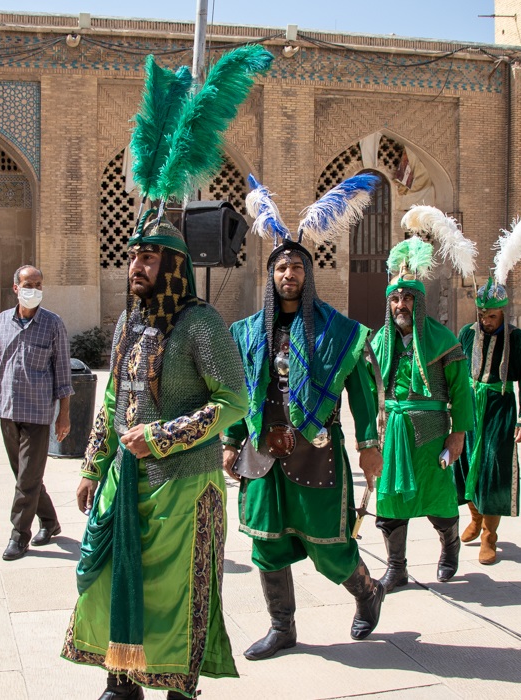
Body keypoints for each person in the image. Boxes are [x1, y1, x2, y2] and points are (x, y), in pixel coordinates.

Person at [60, 217, 248, 699]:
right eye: (131, 256)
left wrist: (165, 435)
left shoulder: (201, 322)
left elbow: (234, 402)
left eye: (147, 257)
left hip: (184, 484)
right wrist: (92, 466)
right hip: (125, 480)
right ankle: (121, 681)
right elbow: (112, 400)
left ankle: (176, 688)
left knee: (173, 597)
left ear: (173, 264)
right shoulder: (128, 320)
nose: (135, 266)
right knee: (108, 580)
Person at [221, 174, 386, 661]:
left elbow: (361, 390)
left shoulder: (338, 331)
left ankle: (366, 591)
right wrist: (232, 440)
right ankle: (282, 628)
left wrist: (369, 444)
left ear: (308, 276)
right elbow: (238, 392)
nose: (288, 273)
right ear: (270, 275)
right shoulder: (249, 331)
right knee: (267, 544)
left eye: (296, 267)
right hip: (263, 451)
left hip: (318, 453)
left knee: (330, 545)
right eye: (281, 267)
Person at [372, 230, 475, 591]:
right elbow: (371, 392)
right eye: (395, 298)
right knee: (390, 503)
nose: (401, 304)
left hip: (431, 433)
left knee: (437, 499)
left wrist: (459, 432)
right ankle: (396, 568)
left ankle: (450, 549)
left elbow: (462, 391)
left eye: (407, 298)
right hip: (392, 433)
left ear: (419, 301)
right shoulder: (378, 342)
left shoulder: (443, 340)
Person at [453, 215, 521, 565]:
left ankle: (491, 535)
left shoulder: (518, 339)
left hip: (500, 407)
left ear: (501, 310)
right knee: (466, 464)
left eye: (491, 314)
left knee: (494, 467)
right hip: (470, 407)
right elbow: (456, 373)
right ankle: (475, 519)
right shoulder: (466, 334)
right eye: (482, 313)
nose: (486, 319)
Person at [0, 264, 73, 561]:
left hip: (37, 413)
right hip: (7, 409)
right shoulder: (1, 322)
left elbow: (63, 373)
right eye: (27, 283)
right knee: (26, 476)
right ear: (15, 287)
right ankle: (49, 521)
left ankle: (19, 536)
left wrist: (64, 415)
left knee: (27, 480)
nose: (33, 289)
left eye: (38, 284)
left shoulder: (53, 324)